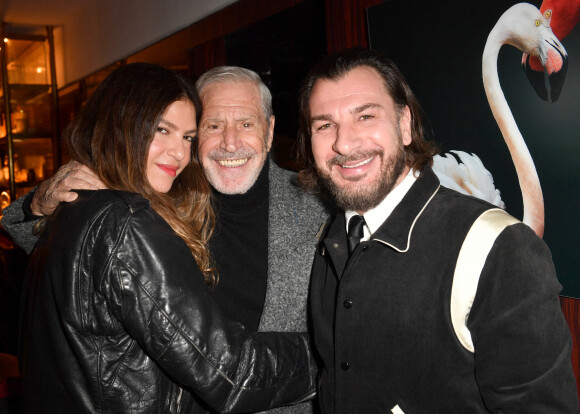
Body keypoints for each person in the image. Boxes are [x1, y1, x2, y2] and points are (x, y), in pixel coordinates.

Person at [1, 66, 328, 414]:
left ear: (270, 129)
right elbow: (63, 259)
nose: (230, 141)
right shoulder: (155, 198)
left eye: (246, 123)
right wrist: (39, 202)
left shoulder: (319, 206)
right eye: (212, 125)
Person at [296, 48, 579, 413]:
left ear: (405, 125)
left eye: (365, 116)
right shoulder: (333, 237)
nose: (343, 143)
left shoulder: (502, 249)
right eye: (324, 125)